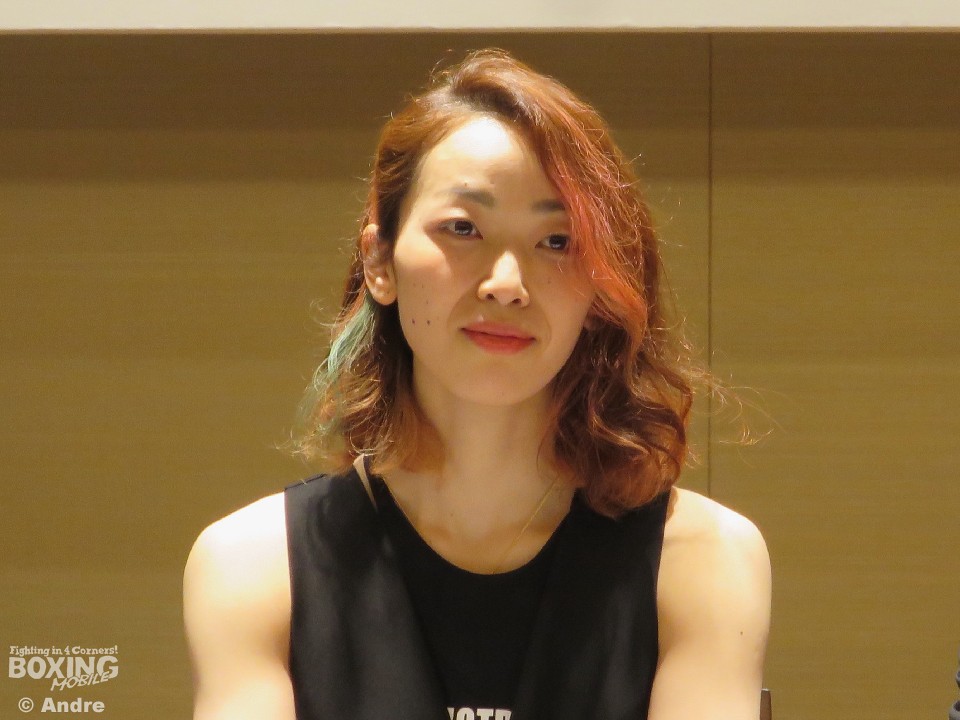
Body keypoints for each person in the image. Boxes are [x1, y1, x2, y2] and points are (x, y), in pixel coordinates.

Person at [183, 49, 771, 720]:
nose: (506, 284)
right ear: (380, 261)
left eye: (557, 241)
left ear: (600, 289)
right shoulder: (253, 566)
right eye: (463, 228)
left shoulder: (703, 560)